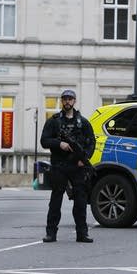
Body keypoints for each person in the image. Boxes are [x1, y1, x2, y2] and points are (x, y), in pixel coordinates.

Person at [40, 89, 96, 243]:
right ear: (61, 101)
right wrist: (60, 144)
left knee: (80, 201)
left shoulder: (83, 122)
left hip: (77, 167)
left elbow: (91, 142)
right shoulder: (54, 121)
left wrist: (84, 159)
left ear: (74, 101)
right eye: (64, 99)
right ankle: (51, 233)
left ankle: (82, 233)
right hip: (59, 165)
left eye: (70, 99)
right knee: (56, 200)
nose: (67, 102)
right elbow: (44, 141)